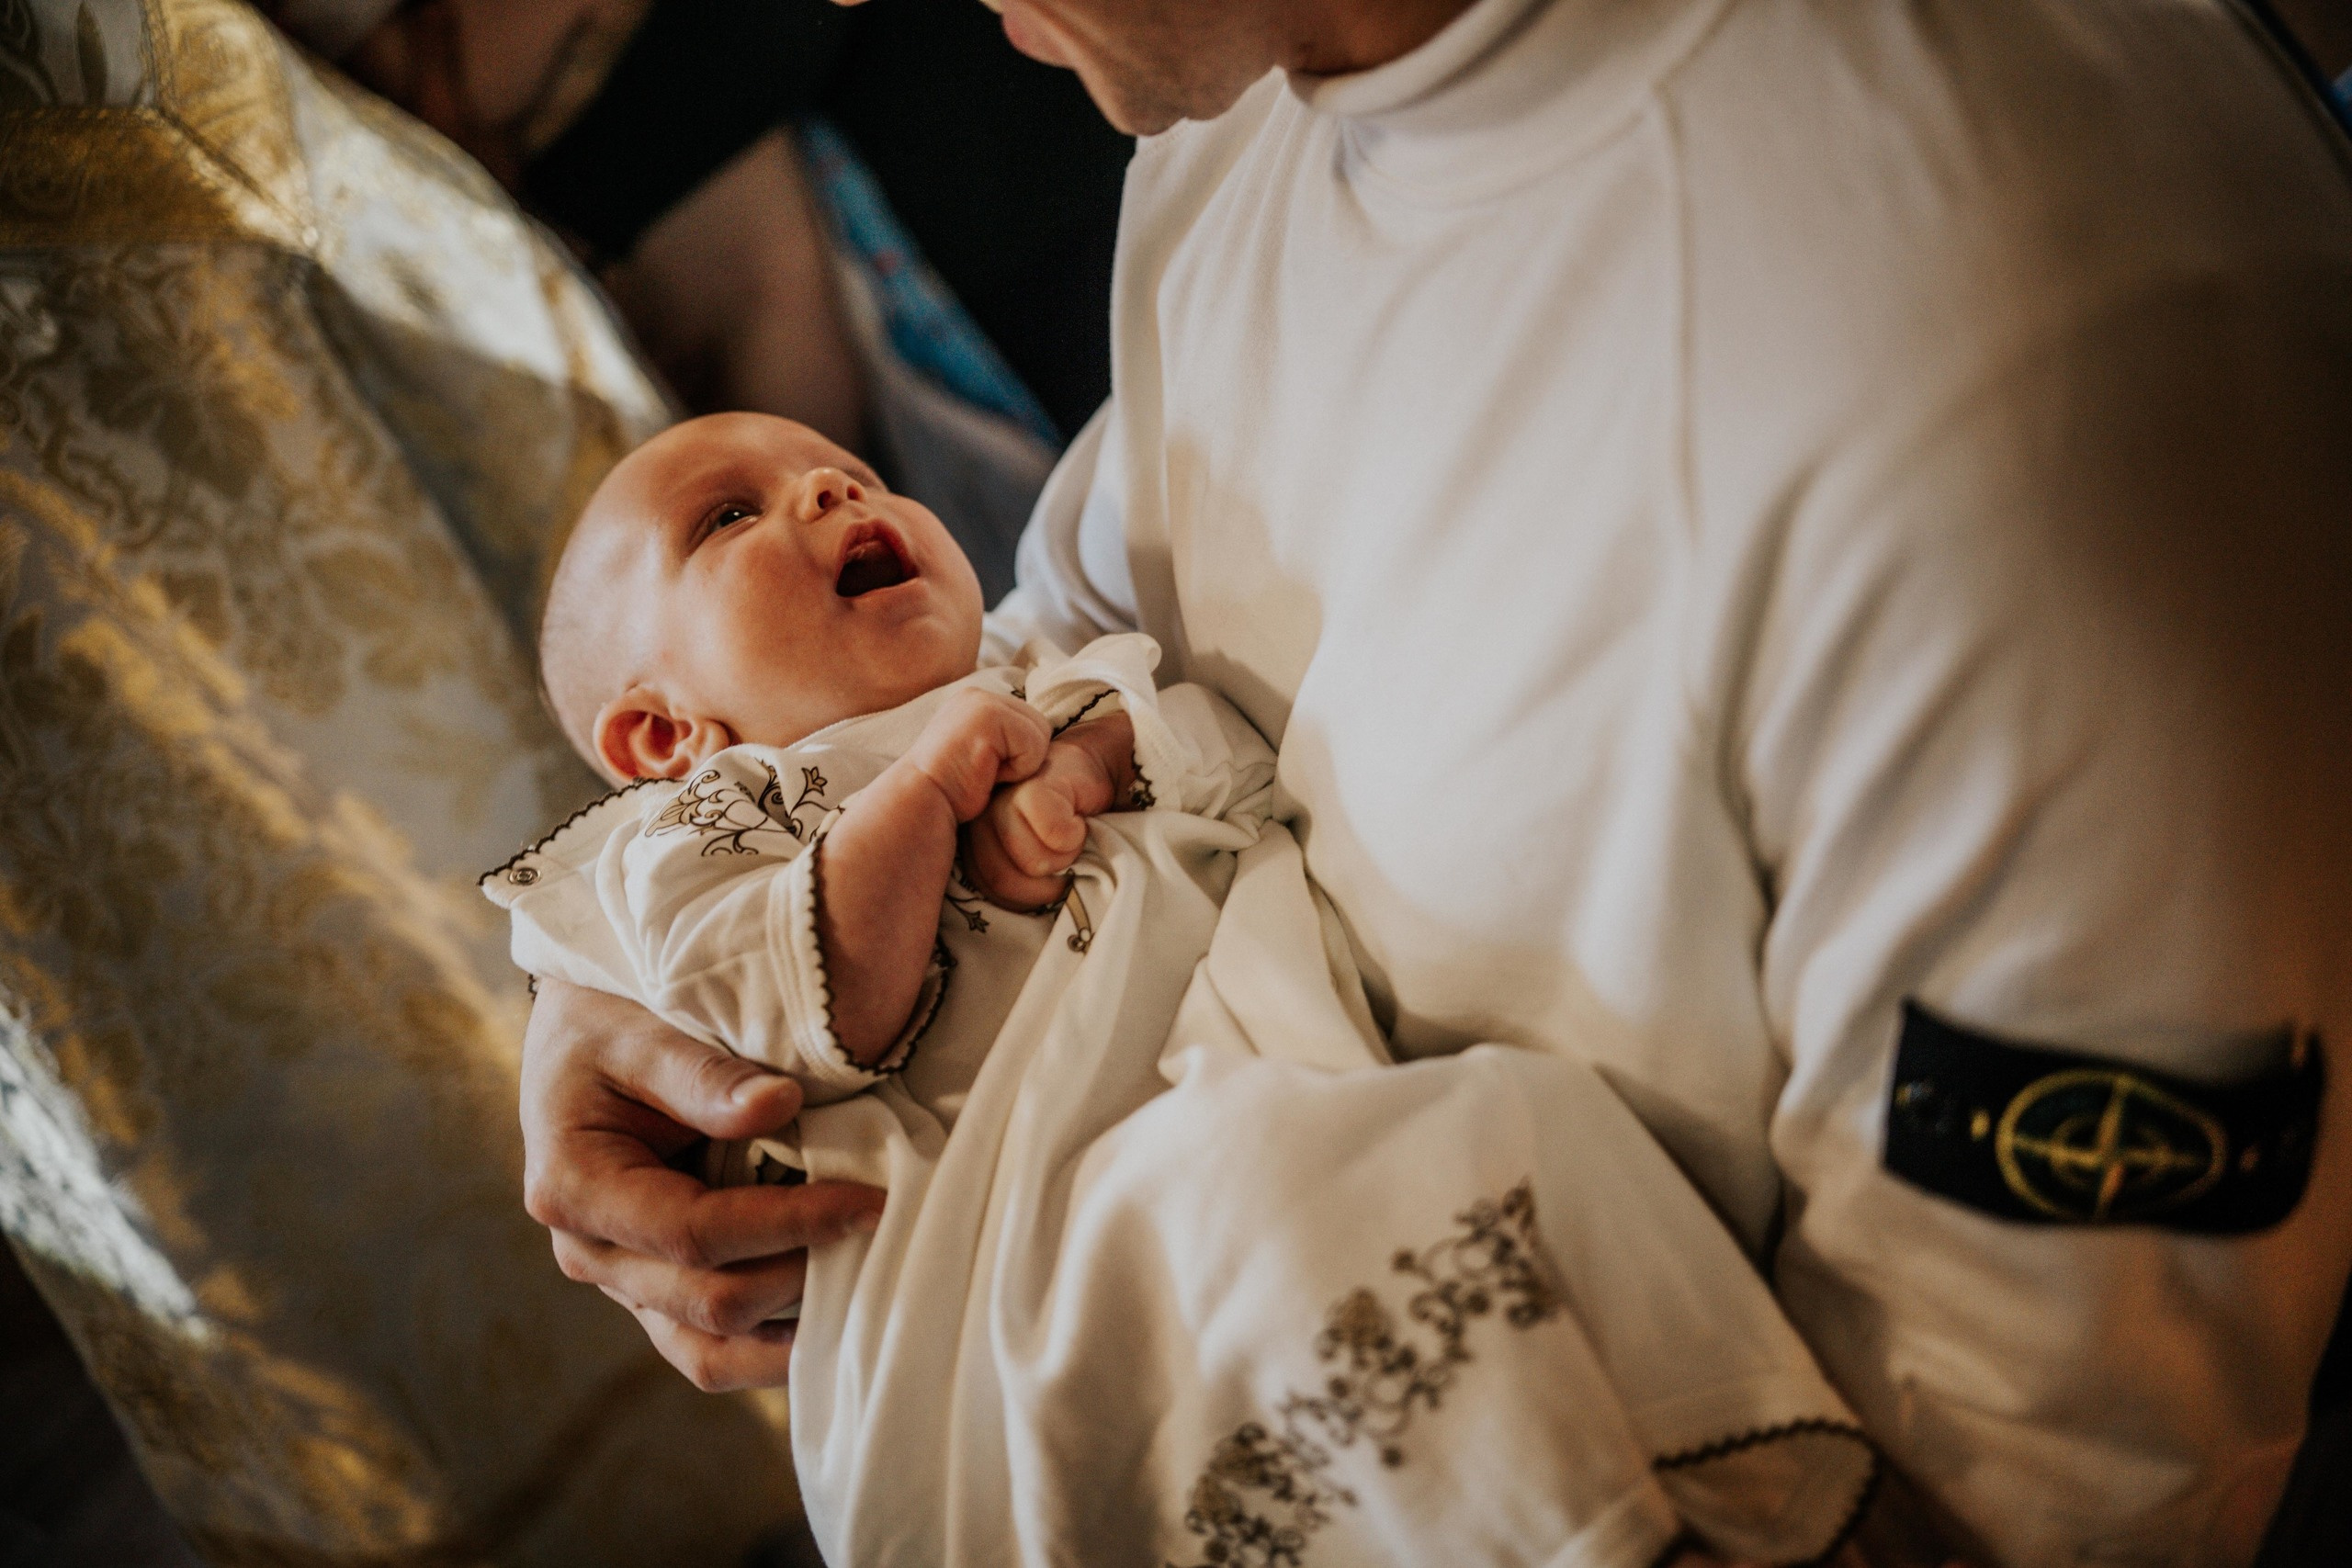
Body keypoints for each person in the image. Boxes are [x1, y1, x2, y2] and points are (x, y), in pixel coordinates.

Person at [517, 0, 2352, 1562]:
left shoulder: (2028, 365)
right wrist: (637, 990)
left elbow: (2059, 1470)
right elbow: (1050, 644)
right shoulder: (1245, 108)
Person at [486, 412, 1873, 1563]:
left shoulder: (1041, 672)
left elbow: (1215, 760)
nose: (829, 487)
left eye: (838, 468)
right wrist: (928, 791)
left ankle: (1648, 1505)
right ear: (664, 731)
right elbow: (798, 1001)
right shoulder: (707, 831)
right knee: (1262, 1208)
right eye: (731, 517)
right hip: (1024, 1227)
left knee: (1499, 1138)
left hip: (1229, 1073)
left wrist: (1080, 765)